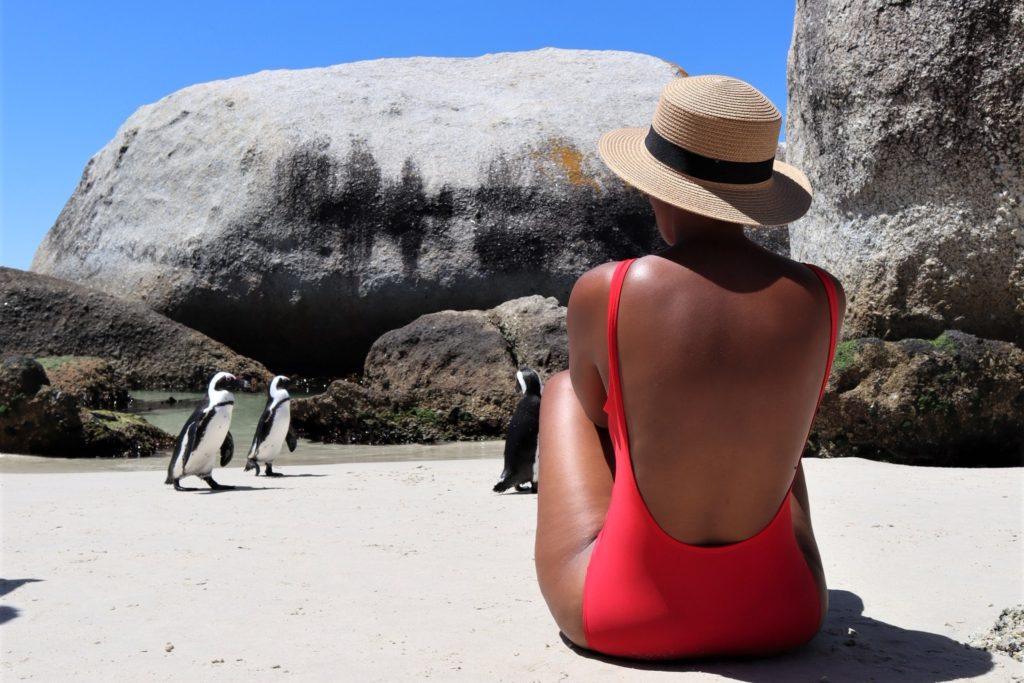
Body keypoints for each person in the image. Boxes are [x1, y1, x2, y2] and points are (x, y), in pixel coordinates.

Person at [534, 75, 846, 660]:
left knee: (561, 392)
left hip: (624, 617)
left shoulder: (611, 288)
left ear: (659, 189)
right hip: (787, 612)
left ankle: (649, 562)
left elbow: (597, 417)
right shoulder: (823, 295)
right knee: (769, 411)